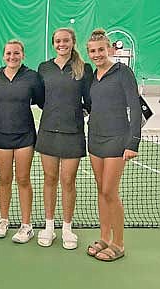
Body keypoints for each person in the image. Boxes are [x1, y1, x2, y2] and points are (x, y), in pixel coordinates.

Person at [85, 29, 141, 261]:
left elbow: (135, 108)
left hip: (117, 139)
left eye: (100, 49)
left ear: (109, 49)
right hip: (95, 138)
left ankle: (118, 243)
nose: (97, 54)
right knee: (101, 191)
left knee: (110, 191)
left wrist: (133, 142)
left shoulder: (122, 72)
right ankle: (104, 238)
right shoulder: (93, 77)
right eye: (92, 51)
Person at [35, 28, 93, 249]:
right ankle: (49, 227)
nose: (62, 44)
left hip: (73, 133)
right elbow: (41, 100)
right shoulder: (44, 68)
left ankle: (67, 228)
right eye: (58, 41)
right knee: (49, 180)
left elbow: (89, 101)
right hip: (48, 131)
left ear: (72, 42)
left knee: (68, 181)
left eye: (66, 40)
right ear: (53, 43)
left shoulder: (84, 69)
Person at [0, 40, 44, 244]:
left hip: (25, 136)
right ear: (4, 55)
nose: (12, 57)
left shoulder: (31, 76)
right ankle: (3, 220)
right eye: (9, 53)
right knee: (4, 179)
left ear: (23, 55)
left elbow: (41, 100)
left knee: (23, 179)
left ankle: (26, 225)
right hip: (1, 135)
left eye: (16, 53)